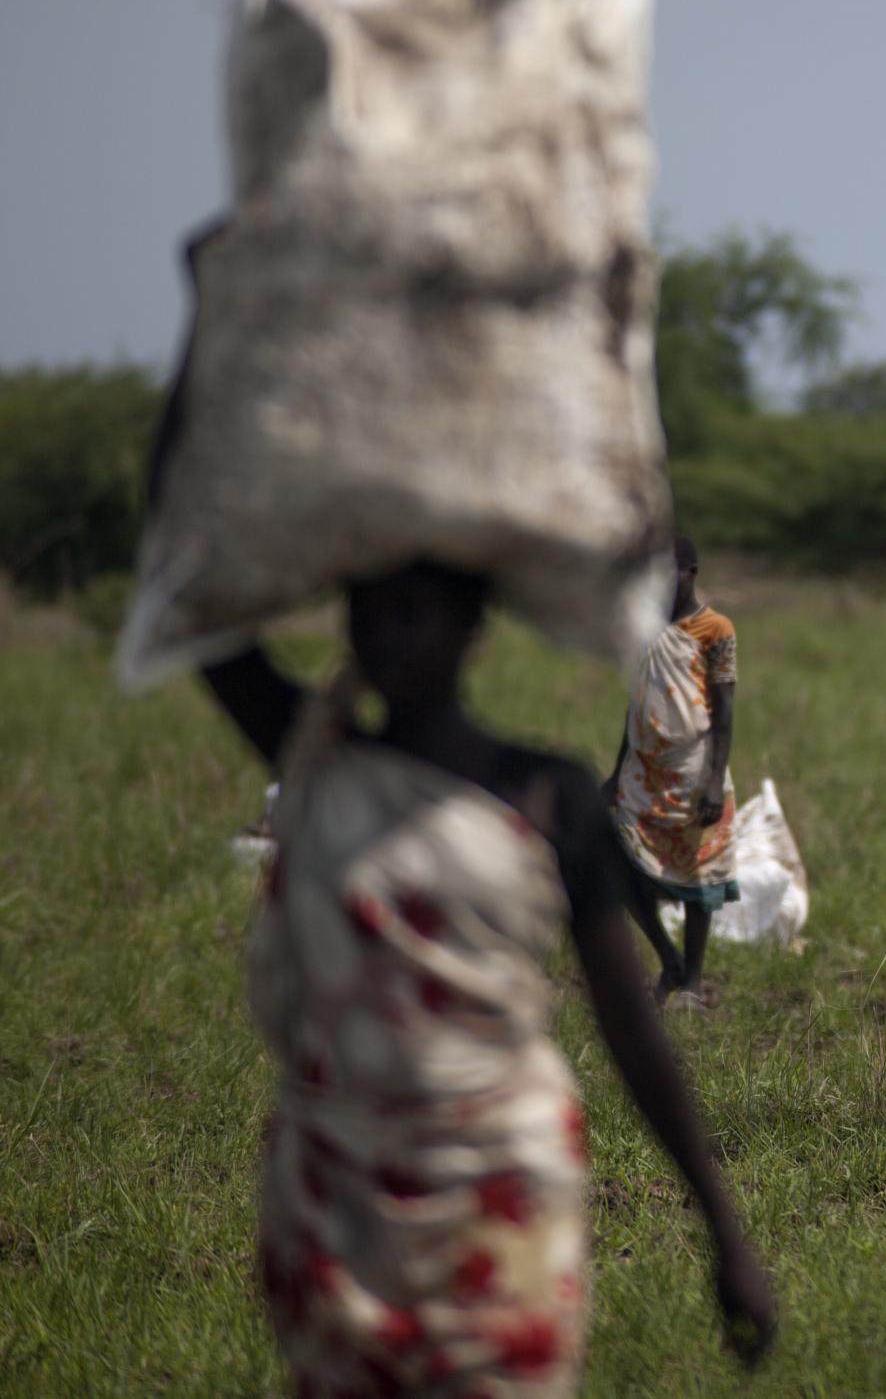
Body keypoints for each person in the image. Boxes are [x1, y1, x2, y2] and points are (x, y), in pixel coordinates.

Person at [194, 563, 776, 1396]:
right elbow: (200, 612)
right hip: (336, 1198)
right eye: (366, 612)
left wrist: (725, 1230)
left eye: (412, 612)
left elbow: (630, 1027)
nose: (384, 635)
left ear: (474, 628)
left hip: (499, 1186)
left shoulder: (548, 794)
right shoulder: (321, 760)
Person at [606, 537, 740, 1004]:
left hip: (694, 771)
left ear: (692, 571)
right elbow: (636, 705)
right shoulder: (644, 629)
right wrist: (617, 769)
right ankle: (669, 960)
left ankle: (694, 981)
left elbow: (723, 714)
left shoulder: (716, 630)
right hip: (642, 775)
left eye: (672, 574)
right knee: (621, 868)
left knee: (698, 878)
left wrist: (713, 782)